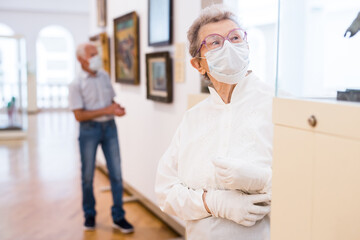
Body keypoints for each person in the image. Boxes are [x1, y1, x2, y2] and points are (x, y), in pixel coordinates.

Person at [155, 5, 273, 240]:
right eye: (215, 42)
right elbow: (165, 191)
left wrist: (265, 180)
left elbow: (309, 187)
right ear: (198, 64)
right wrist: (212, 202)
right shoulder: (193, 118)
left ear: (246, 46)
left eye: (235, 37)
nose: (228, 46)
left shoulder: (277, 106)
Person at [68, 42, 134, 233]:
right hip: (88, 131)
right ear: (80, 59)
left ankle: (119, 217)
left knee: (116, 174)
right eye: (92, 54)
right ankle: (89, 215)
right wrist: (107, 110)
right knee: (87, 176)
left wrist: (117, 108)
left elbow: (110, 101)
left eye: (97, 53)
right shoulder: (76, 84)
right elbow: (79, 115)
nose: (97, 57)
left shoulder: (104, 76)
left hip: (110, 128)